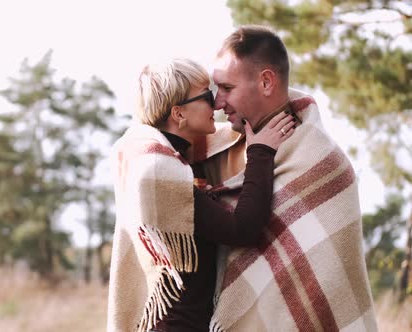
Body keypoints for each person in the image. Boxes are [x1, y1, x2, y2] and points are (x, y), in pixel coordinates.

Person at [195, 25, 378, 331]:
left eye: (227, 88)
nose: (217, 103)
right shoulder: (212, 149)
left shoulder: (324, 165)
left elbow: (330, 285)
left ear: (266, 81)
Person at [107, 58, 296, 332]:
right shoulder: (160, 172)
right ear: (179, 114)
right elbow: (242, 230)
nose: (218, 104)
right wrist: (260, 152)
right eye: (207, 96)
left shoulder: (177, 162)